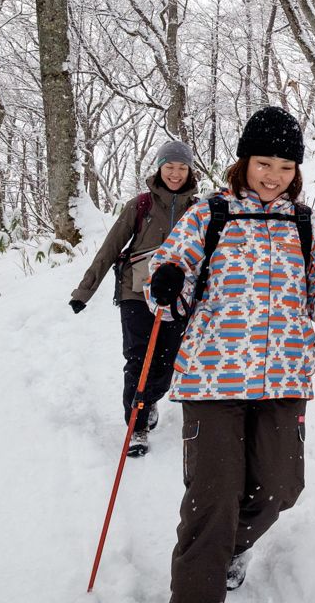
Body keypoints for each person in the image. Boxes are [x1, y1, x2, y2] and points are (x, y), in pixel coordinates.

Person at [145, 106, 315, 601]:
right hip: (212, 378)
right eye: (264, 164)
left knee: (280, 489)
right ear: (243, 162)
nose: (274, 176)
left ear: (297, 172)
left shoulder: (306, 224)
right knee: (212, 499)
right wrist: (166, 283)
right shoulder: (210, 215)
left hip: (284, 378)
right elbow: (171, 278)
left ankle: (230, 548)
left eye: (286, 167)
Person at [69, 140, 199, 458]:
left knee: (168, 362)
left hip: (177, 299)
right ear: (159, 167)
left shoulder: (198, 209)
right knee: (138, 359)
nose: (175, 173)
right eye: (170, 166)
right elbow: (110, 248)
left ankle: (150, 398)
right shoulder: (139, 206)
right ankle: (137, 424)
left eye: (182, 167)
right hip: (135, 293)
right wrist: (85, 290)